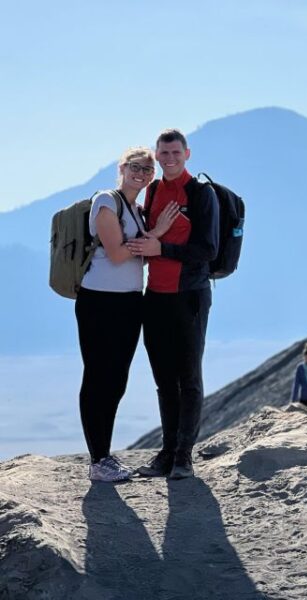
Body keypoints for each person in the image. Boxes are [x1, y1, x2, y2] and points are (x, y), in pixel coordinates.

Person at [76, 147, 178, 482]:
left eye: (148, 170)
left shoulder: (136, 210)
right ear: (122, 167)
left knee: (116, 379)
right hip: (99, 302)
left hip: (129, 303)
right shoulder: (106, 201)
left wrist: (149, 241)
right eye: (136, 167)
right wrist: (156, 236)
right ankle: (98, 460)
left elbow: (139, 255)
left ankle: (104, 457)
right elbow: (119, 255)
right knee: (97, 377)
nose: (142, 174)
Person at [128, 129, 220, 480]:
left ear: (187, 153)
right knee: (164, 379)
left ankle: (184, 457)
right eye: (163, 153)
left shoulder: (200, 194)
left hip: (190, 297)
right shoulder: (152, 192)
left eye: (175, 153)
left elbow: (207, 251)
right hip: (155, 298)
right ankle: (167, 454)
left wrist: (161, 249)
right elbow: (143, 241)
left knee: (189, 378)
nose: (169, 158)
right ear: (157, 154)